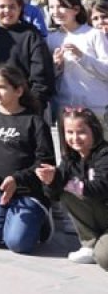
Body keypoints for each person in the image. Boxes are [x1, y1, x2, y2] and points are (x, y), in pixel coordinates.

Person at [0, 63, 55, 254]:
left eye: (1, 87)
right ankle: (1, 214)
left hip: (27, 192)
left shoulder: (34, 121)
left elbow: (45, 162)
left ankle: (41, 218)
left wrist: (17, 179)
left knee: (17, 244)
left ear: (18, 90)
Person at [37, 107, 108, 269]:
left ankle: (99, 245)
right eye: (69, 132)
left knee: (105, 258)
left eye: (81, 132)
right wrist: (50, 181)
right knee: (66, 190)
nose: (75, 138)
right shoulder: (70, 158)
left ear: (94, 131)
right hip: (99, 216)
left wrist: (63, 181)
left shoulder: (104, 154)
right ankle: (89, 244)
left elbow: (100, 188)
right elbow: (54, 195)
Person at [0, 0, 56, 113]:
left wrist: (34, 105)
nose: (7, 10)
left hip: (26, 108)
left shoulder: (31, 36)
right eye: (2, 6)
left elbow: (42, 76)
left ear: (20, 9)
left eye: (12, 7)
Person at [47, 0, 108, 117]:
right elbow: (47, 77)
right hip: (65, 109)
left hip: (96, 107)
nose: (55, 11)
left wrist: (81, 56)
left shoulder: (94, 34)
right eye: (51, 7)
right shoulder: (50, 39)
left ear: (76, 9)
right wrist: (56, 66)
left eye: (61, 6)